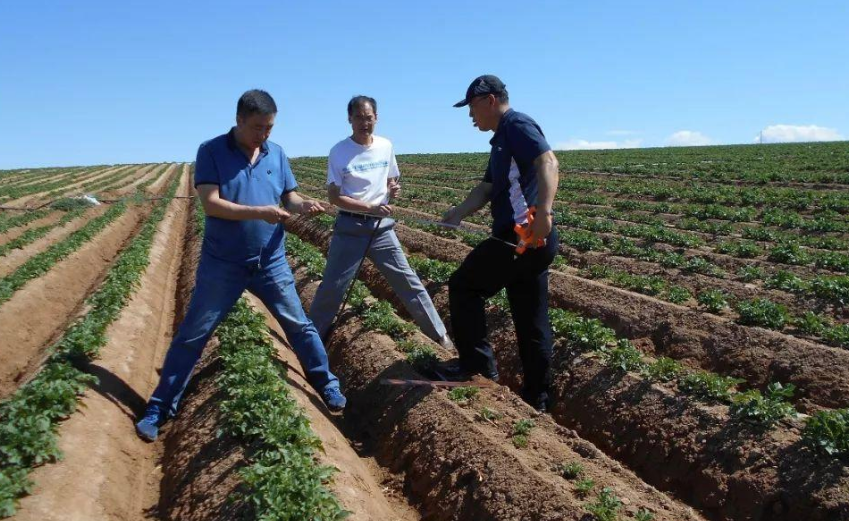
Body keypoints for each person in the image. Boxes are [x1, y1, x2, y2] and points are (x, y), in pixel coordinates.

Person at [135, 89, 346, 442]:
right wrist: (259, 212)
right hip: (224, 262)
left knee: (299, 325)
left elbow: (288, 197)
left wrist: (302, 204)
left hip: (270, 260)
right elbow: (212, 205)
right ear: (239, 120)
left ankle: (327, 385)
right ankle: (158, 408)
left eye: (270, 127)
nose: (264, 134)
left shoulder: (276, 154)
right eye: (258, 127)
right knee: (193, 334)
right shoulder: (211, 151)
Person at [441, 75, 560, 411]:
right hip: (531, 239)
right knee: (530, 317)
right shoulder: (500, 141)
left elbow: (548, 162)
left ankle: (476, 369)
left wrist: (545, 214)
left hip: (523, 233)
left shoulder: (516, 125)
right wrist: (458, 213)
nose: (470, 116)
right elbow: (487, 188)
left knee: (465, 286)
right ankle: (539, 398)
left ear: (490, 100)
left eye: (472, 107)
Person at [309, 95, 453, 349]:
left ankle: (441, 338)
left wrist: (393, 189)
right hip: (350, 228)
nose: (364, 123)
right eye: (358, 118)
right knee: (332, 287)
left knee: (408, 281)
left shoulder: (385, 146)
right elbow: (335, 197)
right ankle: (311, 344)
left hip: (381, 229)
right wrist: (370, 207)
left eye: (369, 118)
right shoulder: (339, 152)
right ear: (349, 120)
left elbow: (391, 179)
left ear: (376, 118)